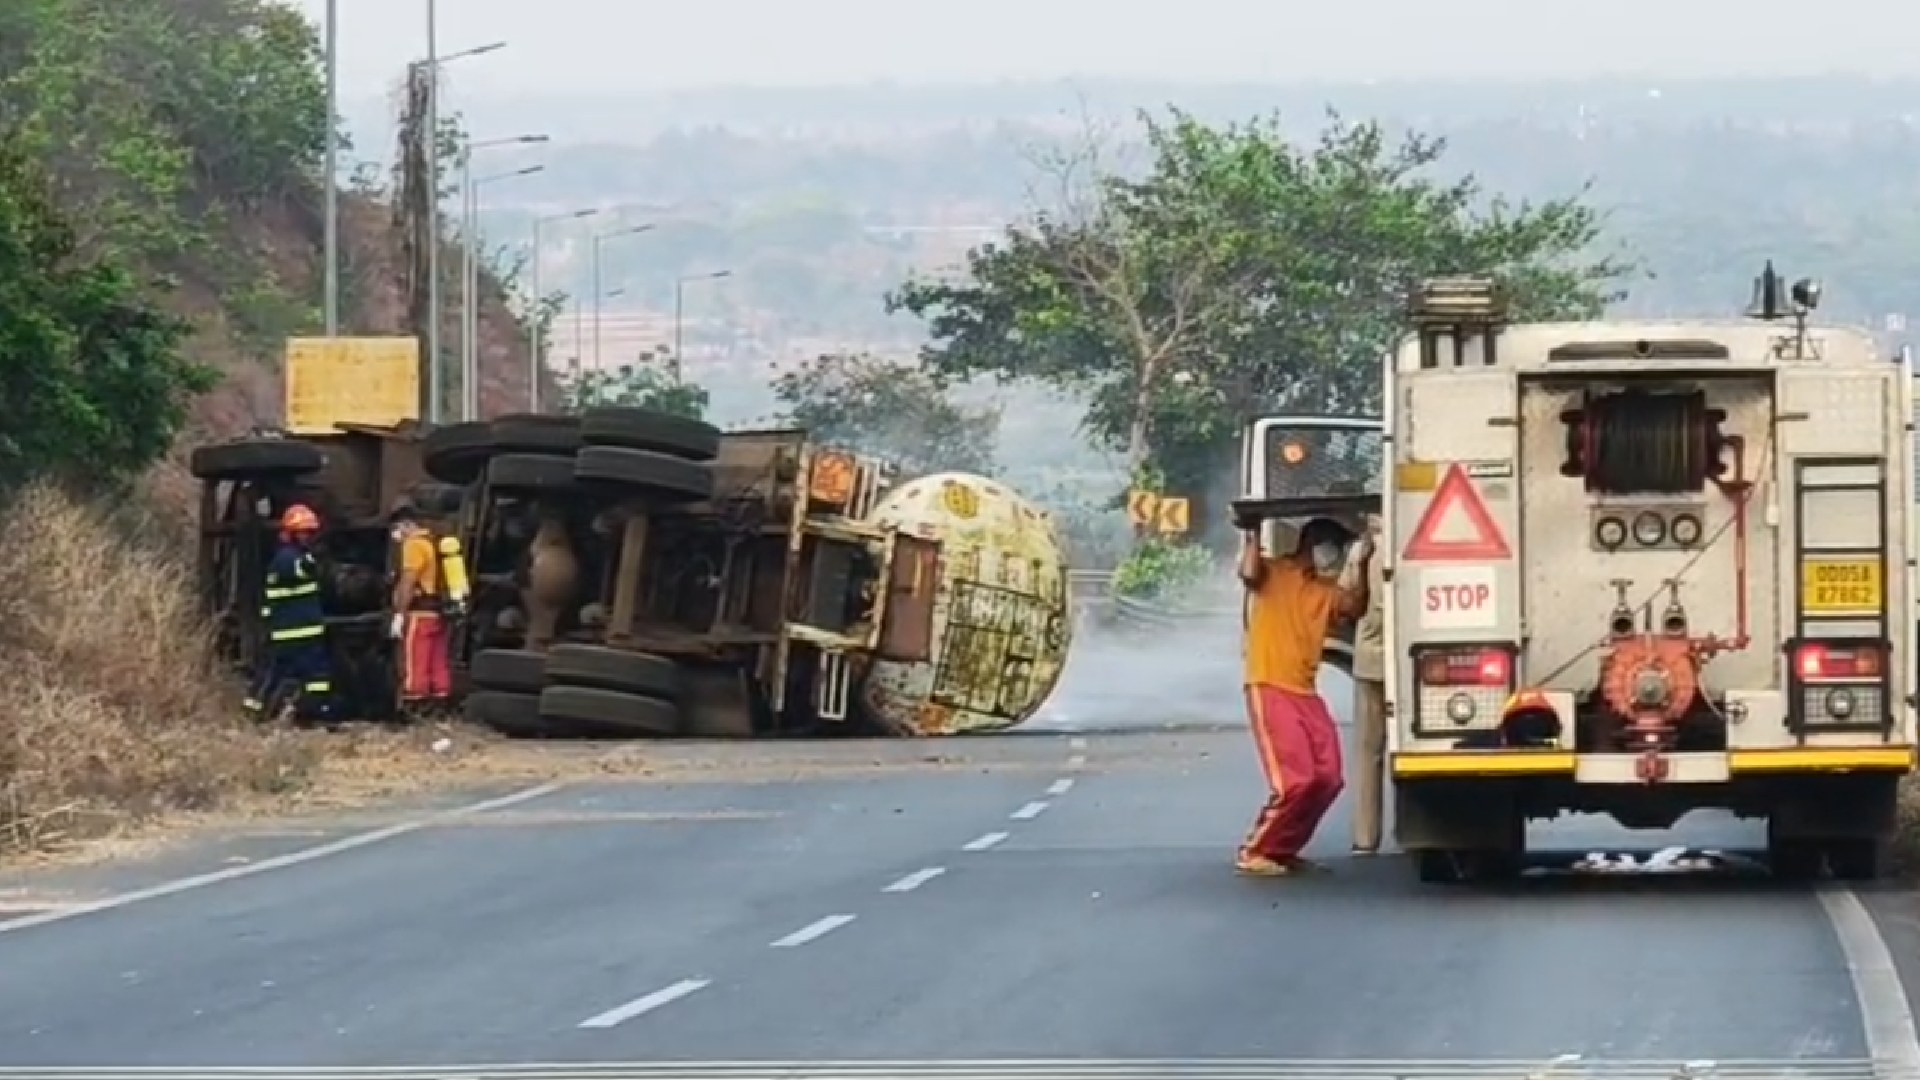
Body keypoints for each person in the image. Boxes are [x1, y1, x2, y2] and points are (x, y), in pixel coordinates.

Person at [1235, 516, 1371, 876]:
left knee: (1327, 779)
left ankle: (1283, 848)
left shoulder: (1326, 590)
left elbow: (1353, 609)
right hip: (1270, 684)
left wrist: (1365, 559)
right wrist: (1251, 530)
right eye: (1330, 547)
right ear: (1310, 545)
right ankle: (1256, 851)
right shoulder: (1274, 572)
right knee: (1294, 781)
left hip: (1305, 691)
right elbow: (1249, 574)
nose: (1333, 556)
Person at [244, 503, 333, 725]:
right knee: (276, 675)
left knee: (315, 677)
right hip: (292, 633)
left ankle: (313, 713)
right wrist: (319, 558)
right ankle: (255, 713)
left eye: (311, 533)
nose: (308, 537)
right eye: (304, 532)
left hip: (303, 632)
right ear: (291, 533)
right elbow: (304, 570)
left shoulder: (296, 555)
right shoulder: (287, 558)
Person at [1349, 513, 1388, 856]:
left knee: (1369, 752)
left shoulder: (1364, 549)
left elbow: (1349, 602)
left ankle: (1365, 836)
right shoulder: (1422, 535)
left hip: (1372, 660)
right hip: (1418, 657)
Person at [389, 500, 452, 707]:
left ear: (407, 524)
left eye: (397, 528)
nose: (395, 534)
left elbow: (408, 581)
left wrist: (399, 614)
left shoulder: (413, 545)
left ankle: (414, 707)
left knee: (415, 662)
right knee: (437, 663)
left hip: (419, 614)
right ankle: (441, 705)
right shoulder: (432, 542)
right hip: (438, 612)